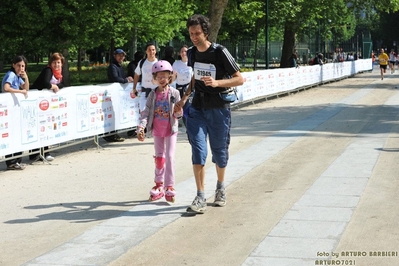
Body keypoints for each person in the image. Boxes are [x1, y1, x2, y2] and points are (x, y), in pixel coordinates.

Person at [174, 14, 244, 213]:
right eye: (191, 34)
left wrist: (217, 83)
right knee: (198, 150)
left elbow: (239, 79)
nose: (194, 37)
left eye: (197, 33)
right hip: (197, 109)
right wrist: (184, 98)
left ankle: (220, 188)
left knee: (220, 152)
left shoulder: (220, 52)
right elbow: (195, 79)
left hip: (218, 109)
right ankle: (200, 196)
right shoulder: (193, 53)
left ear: (206, 32)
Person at [137, 60, 183, 203]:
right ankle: (159, 185)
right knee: (159, 158)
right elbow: (146, 112)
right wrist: (142, 126)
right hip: (157, 130)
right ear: (155, 78)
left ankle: (170, 186)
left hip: (170, 130)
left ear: (170, 77)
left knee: (169, 157)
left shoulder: (174, 93)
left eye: (165, 76)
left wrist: (178, 111)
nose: (162, 79)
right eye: (159, 76)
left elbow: (179, 115)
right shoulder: (152, 94)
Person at [30, 52, 67, 161]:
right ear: (50, 63)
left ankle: (38, 153)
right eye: (54, 62)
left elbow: (63, 84)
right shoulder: (48, 70)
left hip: (46, 104)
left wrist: (56, 86)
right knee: (40, 127)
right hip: (36, 101)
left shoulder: (59, 74)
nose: (56, 65)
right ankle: (42, 153)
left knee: (44, 126)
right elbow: (46, 83)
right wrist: (53, 86)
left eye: (58, 62)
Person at [1, 55, 29, 170]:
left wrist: (26, 77)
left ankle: (16, 160)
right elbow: (6, 88)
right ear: (13, 65)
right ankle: (12, 161)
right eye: (18, 65)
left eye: (23, 66)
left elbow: (26, 88)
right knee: (12, 135)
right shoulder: (11, 75)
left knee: (18, 134)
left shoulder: (17, 76)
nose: (20, 68)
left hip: (15, 111)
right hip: (9, 111)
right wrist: (20, 92)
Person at [103, 48, 133, 142]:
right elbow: (115, 78)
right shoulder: (112, 66)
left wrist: (126, 78)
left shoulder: (119, 66)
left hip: (119, 94)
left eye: (123, 55)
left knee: (116, 114)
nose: (121, 57)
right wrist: (126, 80)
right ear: (114, 56)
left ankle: (113, 133)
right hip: (113, 94)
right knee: (112, 114)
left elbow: (121, 77)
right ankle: (110, 134)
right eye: (119, 55)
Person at [133, 43, 158, 113]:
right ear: (146, 51)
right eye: (149, 50)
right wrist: (134, 87)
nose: (151, 52)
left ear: (155, 51)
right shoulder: (142, 62)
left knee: (156, 114)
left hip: (157, 92)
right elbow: (137, 74)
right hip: (144, 92)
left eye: (153, 50)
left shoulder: (159, 63)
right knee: (143, 113)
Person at [172, 45, 193, 127]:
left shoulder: (192, 63)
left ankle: (190, 126)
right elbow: (173, 79)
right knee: (181, 109)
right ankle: (186, 125)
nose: (184, 53)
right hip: (179, 88)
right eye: (182, 51)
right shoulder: (176, 64)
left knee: (189, 107)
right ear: (179, 53)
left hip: (189, 88)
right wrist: (173, 76)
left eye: (186, 51)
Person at [126, 51, 145, 137]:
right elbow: (135, 75)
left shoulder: (133, 64)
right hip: (134, 88)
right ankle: (133, 129)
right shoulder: (136, 65)